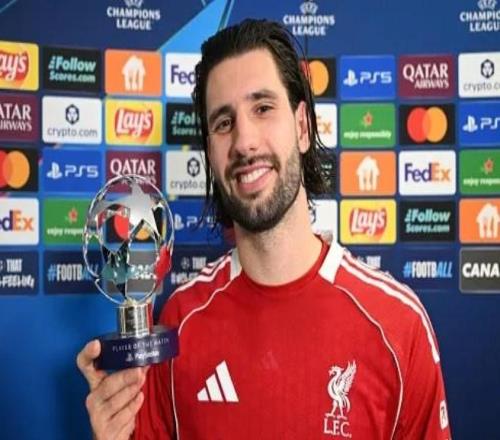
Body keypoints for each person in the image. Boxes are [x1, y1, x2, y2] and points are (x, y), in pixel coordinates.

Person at [77, 19, 451, 439]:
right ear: (210, 155)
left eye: (263, 108)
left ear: (303, 127)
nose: (244, 141)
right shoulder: (181, 322)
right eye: (224, 123)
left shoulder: (398, 325)